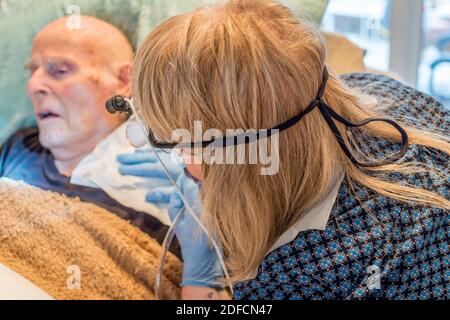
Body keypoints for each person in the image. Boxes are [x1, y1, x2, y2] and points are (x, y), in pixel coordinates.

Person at [122, 0, 449, 299]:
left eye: (182, 145)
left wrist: (201, 280)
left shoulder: (300, 276)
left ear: (244, 158)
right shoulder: (372, 88)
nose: (179, 161)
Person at [0, 16, 181, 247]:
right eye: (32, 71)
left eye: (59, 70)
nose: (34, 86)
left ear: (124, 80)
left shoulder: (163, 184)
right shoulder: (19, 148)